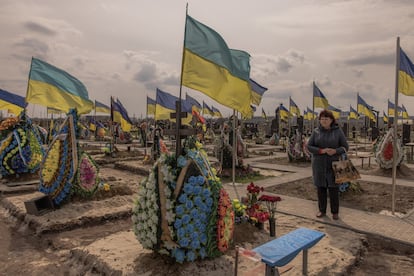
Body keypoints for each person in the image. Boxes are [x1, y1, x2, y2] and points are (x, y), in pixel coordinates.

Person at [307, 109, 349, 220]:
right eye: (322, 119)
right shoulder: (316, 132)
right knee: (321, 188)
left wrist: (335, 151)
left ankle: (335, 212)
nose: (324, 121)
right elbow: (309, 146)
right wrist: (321, 151)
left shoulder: (338, 131)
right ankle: (322, 210)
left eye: (326, 118)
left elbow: (345, 147)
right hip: (319, 165)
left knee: (333, 189)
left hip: (334, 164)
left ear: (331, 120)